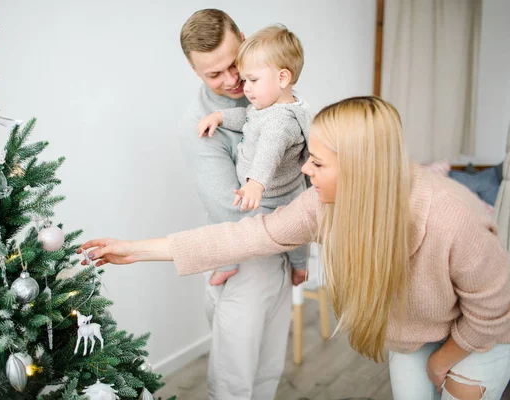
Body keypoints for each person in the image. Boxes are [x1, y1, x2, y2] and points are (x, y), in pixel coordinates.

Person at [80, 96, 510, 400]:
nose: (306, 169)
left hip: (484, 337)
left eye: (318, 163)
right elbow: (245, 236)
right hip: (418, 334)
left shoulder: (454, 217)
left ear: (362, 170)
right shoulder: (325, 205)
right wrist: (134, 250)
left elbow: (493, 309)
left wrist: (445, 362)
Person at [138, 9, 304, 400]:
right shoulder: (199, 124)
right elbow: (233, 209)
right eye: (214, 74)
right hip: (241, 258)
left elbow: (303, 174)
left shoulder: (272, 94)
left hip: (284, 248)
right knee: (234, 381)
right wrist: (295, 228)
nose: (231, 80)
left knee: (268, 370)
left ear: (244, 40)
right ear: (195, 72)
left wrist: (299, 253)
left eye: (234, 64)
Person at [196, 24, 310, 286]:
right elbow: (247, 117)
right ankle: (227, 262)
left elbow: (269, 152)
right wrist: (220, 117)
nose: (245, 88)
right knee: (228, 224)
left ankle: (300, 267)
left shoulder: (280, 122)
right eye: (245, 80)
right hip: (263, 192)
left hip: (277, 196)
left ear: (282, 78)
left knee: (292, 232)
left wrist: (255, 184)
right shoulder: (268, 107)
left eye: (253, 80)